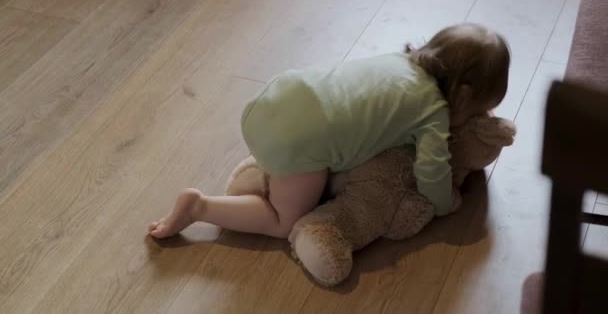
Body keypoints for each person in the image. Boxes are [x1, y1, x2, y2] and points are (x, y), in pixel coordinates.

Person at [148, 23, 511, 239]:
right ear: (463, 96)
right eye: (480, 109)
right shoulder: (434, 113)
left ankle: (268, 172)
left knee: (295, 158)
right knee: (282, 221)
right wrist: (446, 203)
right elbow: (430, 172)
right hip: (300, 142)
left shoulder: (397, 61)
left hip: (273, 98)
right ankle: (201, 207)